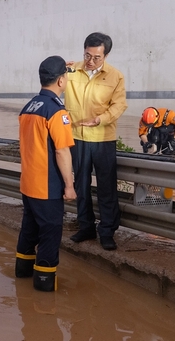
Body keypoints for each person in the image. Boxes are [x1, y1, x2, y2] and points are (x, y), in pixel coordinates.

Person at [15, 55, 77, 292]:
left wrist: (64, 66)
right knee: (50, 235)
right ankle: (43, 287)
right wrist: (69, 186)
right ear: (61, 81)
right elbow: (62, 152)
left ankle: (22, 273)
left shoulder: (29, 107)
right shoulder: (57, 112)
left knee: (29, 230)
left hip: (28, 184)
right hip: (47, 186)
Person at [64, 32, 127, 251]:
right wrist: (58, 70)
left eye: (96, 57)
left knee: (106, 188)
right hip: (77, 138)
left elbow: (119, 106)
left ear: (106, 55)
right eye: (87, 55)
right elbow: (53, 85)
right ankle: (86, 227)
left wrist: (101, 120)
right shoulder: (71, 70)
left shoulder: (115, 76)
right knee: (81, 186)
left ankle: (107, 231)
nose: (91, 61)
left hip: (103, 138)